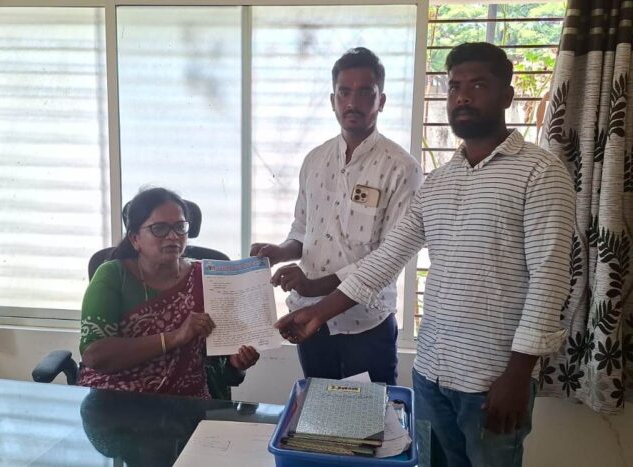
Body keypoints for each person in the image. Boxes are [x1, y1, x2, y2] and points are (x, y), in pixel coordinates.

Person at [274, 42, 576, 466]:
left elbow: (550, 279)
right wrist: (319, 312)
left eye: (477, 85)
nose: (462, 97)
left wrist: (518, 374)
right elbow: (385, 260)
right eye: (454, 87)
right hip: (431, 373)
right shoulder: (439, 182)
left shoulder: (540, 172)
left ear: (507, 96)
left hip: (491, 379)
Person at [250, 47, 423, 385]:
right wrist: (280, 252)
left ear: (381, 100)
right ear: (333, 100)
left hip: (367, 324)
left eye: (365, 92)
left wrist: (315, 284)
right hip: (311, 321)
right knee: (318, 410)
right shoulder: (315, 160)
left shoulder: (402, 168)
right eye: (344, 92)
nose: (352, 102)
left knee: (371, 416)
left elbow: (389, 258)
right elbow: (303, 229)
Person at [78, 187, 259, 399]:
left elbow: (226, 368)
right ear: (135, 238)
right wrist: (174, 337)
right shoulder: (113, 275)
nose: (173, 236)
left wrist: (236, 364)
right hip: (114, 396)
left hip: (188, 401)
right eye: (159, 228)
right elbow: (95, 355)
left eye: (180, 227)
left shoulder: (208, 279)